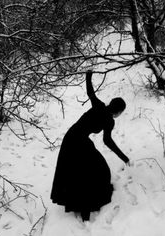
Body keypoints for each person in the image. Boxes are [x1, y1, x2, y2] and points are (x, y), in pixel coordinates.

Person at [50, 70, 130, 221]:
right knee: (97, 170)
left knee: (83, 171)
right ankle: (85, 207)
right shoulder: (109, 120)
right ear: (118, 111)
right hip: (77, 141)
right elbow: (108, 141)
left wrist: (88, 75)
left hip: (73, 137)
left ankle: (82, 206)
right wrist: (124, 157)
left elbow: (90, 92)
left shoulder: (99, 106)